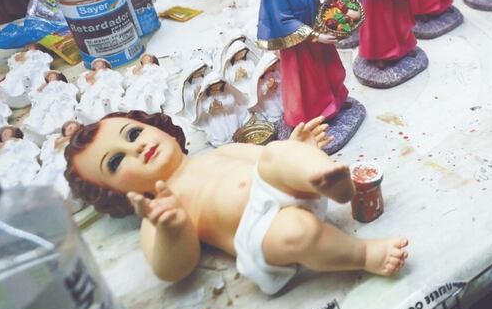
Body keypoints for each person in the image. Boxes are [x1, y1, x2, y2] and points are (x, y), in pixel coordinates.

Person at [63, 112, 408, 295]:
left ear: (160, 128)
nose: (136, 148)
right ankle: (362, 254)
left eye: (134, 133)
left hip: (291, 190)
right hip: (260, 232)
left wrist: (298, 149)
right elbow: (172, 270)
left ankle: (329, 180)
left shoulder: (219, 152)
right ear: (116, 195)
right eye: (115, 162)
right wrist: (171, 227)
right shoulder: (161, 212)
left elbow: (266, 160)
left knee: (275, 154)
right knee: (295, 232)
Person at [254, 0, 350, 127]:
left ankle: (336, 101)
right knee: (308, 82)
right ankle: (313, 116)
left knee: (330, 69)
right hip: (298, 42)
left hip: (319, 26)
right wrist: (314, 36)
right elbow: (284, 20)